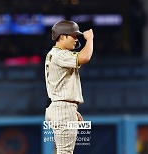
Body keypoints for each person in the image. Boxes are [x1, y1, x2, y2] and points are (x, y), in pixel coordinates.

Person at [45, 20, 93, 154]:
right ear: (62, 36)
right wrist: (90, 39)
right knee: (65, 152)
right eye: (74, 36)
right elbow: (85, 57)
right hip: (62, 109)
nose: (76, 39)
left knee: (61, 151)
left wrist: (71, 110)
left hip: (59, 107)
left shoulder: (54, 54)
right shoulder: (60, 54)